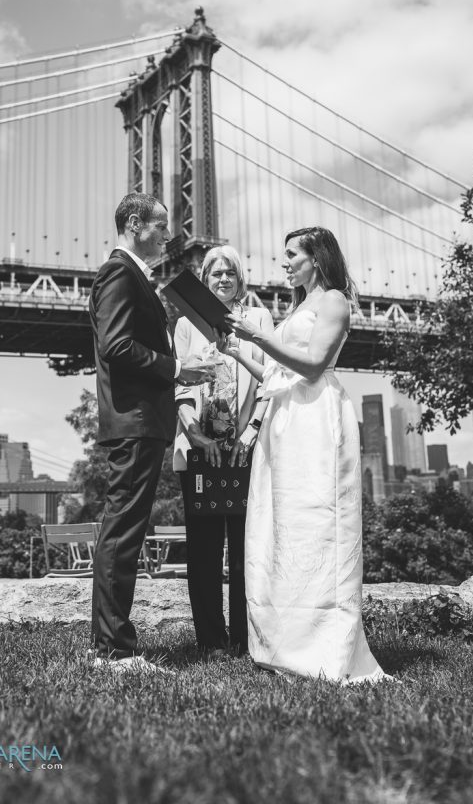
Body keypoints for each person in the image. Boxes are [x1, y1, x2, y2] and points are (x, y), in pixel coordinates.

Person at [221, 226, 388, 683]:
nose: (285, 262)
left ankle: (324, 645)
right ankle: (288, 641)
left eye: (292, 254)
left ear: (317, 258)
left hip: (315, 417)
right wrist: (238, 349)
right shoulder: (298, 306)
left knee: (317, 523)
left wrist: (257, 334)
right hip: (286, 417)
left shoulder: (333, 300)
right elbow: (278, 373)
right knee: (286, 527)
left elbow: (314, 365)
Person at [88, 192, 215, 670]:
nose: (168, 235)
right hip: (136, 421)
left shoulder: (132, 275)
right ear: (135, 223)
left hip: (141, 421)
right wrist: (177, 368)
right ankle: (113, 651)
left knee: (125, 530)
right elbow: (118, 347)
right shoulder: (119, 273)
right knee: (122, 532)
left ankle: (109, 644)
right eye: (161, 225)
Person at [173, 246, 274, 658]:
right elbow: (179, 386)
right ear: (204, 279)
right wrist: (196, 434)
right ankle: (211, 642)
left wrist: (251, 430)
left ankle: (244, 639)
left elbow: (273, 380)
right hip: (200, 448)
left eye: (230, 272)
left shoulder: (260, 319)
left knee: (247, 548)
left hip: (245, 449)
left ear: (240, 279)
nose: (223, 279)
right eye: (214, 273)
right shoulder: (185, 324)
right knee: (204, 550)